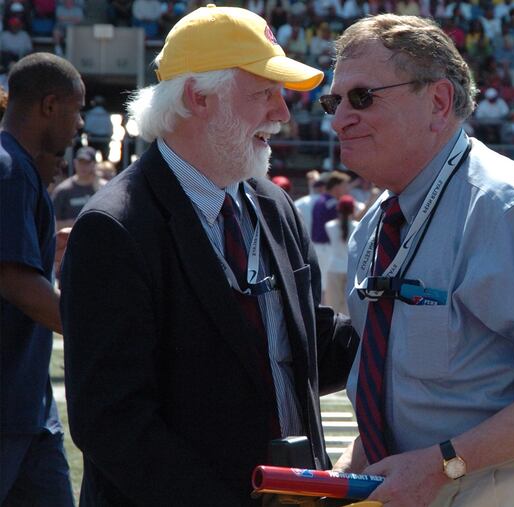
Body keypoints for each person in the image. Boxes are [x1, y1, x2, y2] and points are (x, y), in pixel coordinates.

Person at [59, 6, 358, 505]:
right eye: (264, 93)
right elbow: (113, 421)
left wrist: (403, 330)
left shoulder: (271, 203)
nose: (282, 113)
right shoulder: (115, 227)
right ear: (199, 97)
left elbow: (299, 346)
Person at [322, 14, 514, 506]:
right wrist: (349, 469)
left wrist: (443, 463)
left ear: (438, 102)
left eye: (362, 97)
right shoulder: (377, 223)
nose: (337, 119)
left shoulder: (507, 206)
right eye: (333, 102)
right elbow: (419, 400)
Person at [0, 52, 83, 507]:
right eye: (77, 108)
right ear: (50, 105)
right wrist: (97, 329)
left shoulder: (18, 167)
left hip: (29, 407)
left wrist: (54, 243)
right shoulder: (9, 168)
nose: (80, 124)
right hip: (8, 405)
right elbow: (16, 283)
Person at [310, 170, 350, 288]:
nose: (347, 189)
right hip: (326, 248)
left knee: (322, 284)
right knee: (327, 286)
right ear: (336, 187)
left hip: (319, 247)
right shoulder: (333, 203)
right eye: (344, 186)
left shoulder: (321, 200)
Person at [51, 146, 107, 230]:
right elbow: (52, 222)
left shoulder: (103, 188)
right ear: (75, 163)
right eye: (80, 162)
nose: (83, 166)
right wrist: (77, 223)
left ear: (94, 164)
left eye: (87, 163)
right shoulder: (63, 190)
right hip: (70, 239)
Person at [324, 194, 357, 314]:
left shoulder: (329, 226)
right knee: (348, 307)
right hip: (350, 269)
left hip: (334, 268)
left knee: (333, 305)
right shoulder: (357, 226)